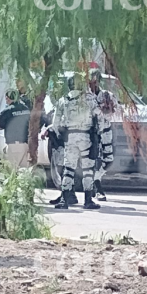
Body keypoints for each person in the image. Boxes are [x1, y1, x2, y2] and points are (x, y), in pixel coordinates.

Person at [51, 74, 101, 210]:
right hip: (86, 138)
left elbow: (55, 123)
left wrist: (61, 135)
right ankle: (88, 200)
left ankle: (64, 199)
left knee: (69, 169)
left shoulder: (63, 100)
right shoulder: (90, 98)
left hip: (70, 138)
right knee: (87, 169)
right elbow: (100, 117)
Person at [89, 70, 116, 201]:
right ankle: (97, 187)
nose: (92, 84)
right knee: (93, 160)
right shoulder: (85, 97)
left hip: (105, 131)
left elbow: (114, 110)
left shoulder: (107, 95)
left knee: (109, 159)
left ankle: (96, 178)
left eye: (95, 81)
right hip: (90, 132)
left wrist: (107, 107)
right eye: (90, 81)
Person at [0, 89, 31, 169]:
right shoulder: (26, 109)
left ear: (8, 98)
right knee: (23, 171)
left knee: (13, 171)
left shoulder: (7, 111)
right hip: (25, 144)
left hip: (13, 144)